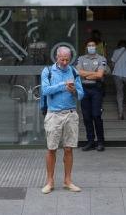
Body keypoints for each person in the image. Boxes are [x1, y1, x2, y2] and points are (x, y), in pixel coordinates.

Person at [40, 46, 85, 194]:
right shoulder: (48, 71)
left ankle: (68, 181)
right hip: (53, 114)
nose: (65, 62)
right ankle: (50, 181)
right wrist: (63, 85)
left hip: (70, 114)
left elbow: (81, 95)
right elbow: (45, 90)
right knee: (51, 148)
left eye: (67, 59)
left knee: (68, 149)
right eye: (62, 59)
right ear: (57, 57)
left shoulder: (74, 71)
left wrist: (74, 90)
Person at [76, 38, 110, 151]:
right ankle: (90, 141)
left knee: (96, 115)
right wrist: (93, 74)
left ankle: (100, 142)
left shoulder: (101, 59)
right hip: (84, 89)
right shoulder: (81, 59)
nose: (91, 47)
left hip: (96, 89)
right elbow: (78, 72)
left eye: (93, 45)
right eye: (89, 45)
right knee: (87, 117)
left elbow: (100, 75)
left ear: (96, 47)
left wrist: (86, 75)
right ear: (86, 47)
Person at [110, 40, 126, 120]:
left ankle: (120, 114)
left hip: (117, 74)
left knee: (119, 94)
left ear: (118, 46)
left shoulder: (115, 52)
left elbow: (112, 64)